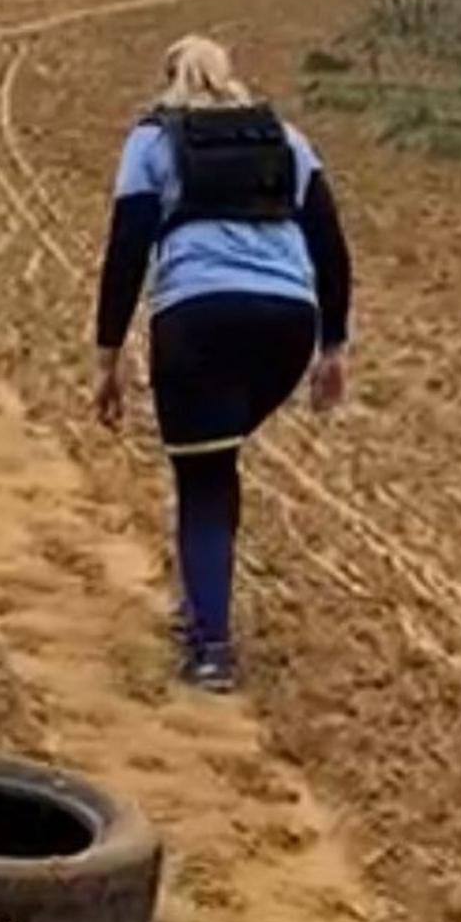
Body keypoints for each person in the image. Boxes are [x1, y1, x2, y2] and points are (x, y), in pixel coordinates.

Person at [93, 35, 351, 693]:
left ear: (168, 78)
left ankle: (211, 644)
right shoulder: (286, 139)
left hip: (197, 320)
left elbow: (127, 250)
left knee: (204, 477)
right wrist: (333, 347)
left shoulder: (151, 141)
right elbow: (329, 240)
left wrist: (109, 355)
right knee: (219, 456)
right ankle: (204, 602)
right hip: (287, 325)